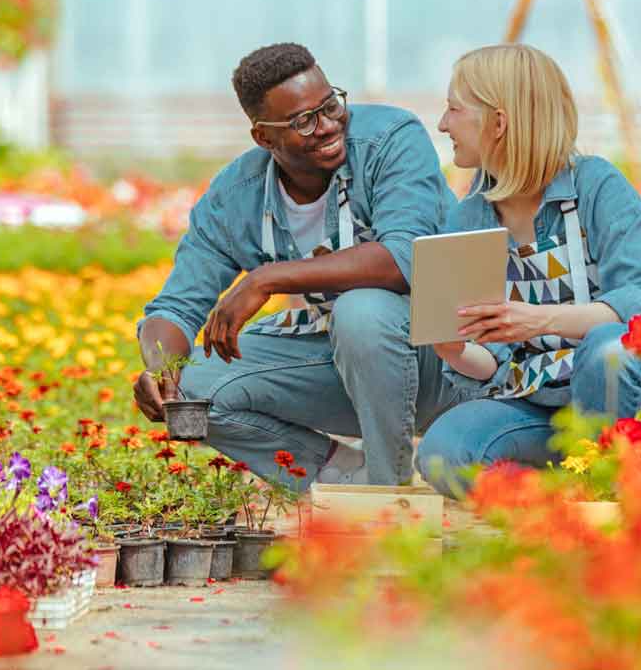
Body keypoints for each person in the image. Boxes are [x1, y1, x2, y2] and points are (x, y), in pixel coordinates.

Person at [134, 42, 462, 487]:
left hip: (450, 362)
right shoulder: (236, 198)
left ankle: (388, 492)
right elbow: (174, 309)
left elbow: (406, 259)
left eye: (331, 105)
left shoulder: (389, 138)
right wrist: (161, 371)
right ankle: (342, 477)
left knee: (363, 310)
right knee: (194, 389)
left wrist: (268, 278)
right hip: (352, 368)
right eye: (304, 121)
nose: (328, 126)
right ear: (264, 138)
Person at [415, 43, 641, 495]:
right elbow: (493, 364)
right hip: (535, 408)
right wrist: (452, 347)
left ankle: (616, 483)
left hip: (622, 401)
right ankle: (570, 495)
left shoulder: (595, 187)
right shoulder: (470, 216)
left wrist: (538, 320)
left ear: (499, 123)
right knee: (444, 454)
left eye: (453, 109)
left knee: (610, 348)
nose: (444, 124)